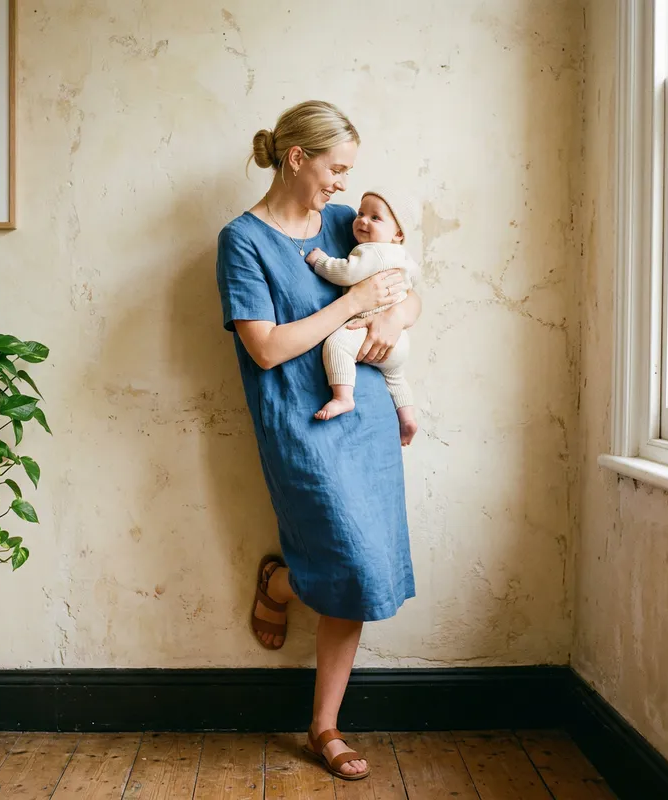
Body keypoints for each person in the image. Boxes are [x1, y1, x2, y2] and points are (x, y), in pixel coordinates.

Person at [216, 100, 419, 781]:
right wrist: (354, 305)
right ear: (297, 158)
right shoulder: (242, 241)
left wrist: (395, 316)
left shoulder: (348, 222)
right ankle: (279, 581)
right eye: (336, 169)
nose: (343, 184)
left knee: (365, 571)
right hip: (299, 422)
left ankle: (323, 724)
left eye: (349, 172)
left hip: (366, 415)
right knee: (353, 562)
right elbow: (267, 349)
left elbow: (408, 287)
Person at [305, 188, 420, 446]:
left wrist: (320, 261)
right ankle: (408, 418)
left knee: (336, 345)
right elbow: (414, 281)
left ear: (398, 234)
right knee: (396, 378)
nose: (362, 221)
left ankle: (343, 397)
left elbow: (346, 273)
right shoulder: (404, 257)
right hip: (398, 339)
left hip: (370, 331)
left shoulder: (372, 251)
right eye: (360, 213)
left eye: (375, 217)